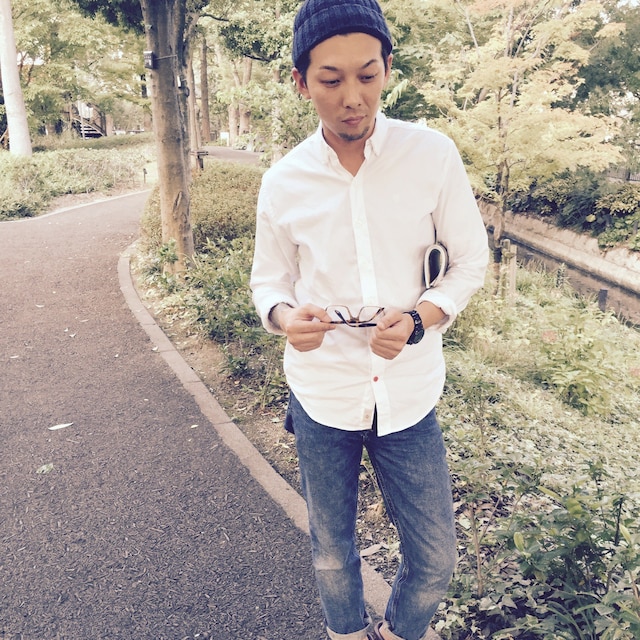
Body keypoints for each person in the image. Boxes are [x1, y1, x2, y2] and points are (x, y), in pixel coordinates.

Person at [250, 1, 489, 638]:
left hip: (408, 391)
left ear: (388, 69)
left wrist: (419, 318)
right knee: (332, 554)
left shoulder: (431, 155)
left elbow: (470, 261)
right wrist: (284, 317)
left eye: (368, 74)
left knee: (436, 560)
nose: (352, 97)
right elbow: (268, 280)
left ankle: (396, 631)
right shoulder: (283, 180)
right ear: (300, 82)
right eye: (330, 79)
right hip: (322, 392)